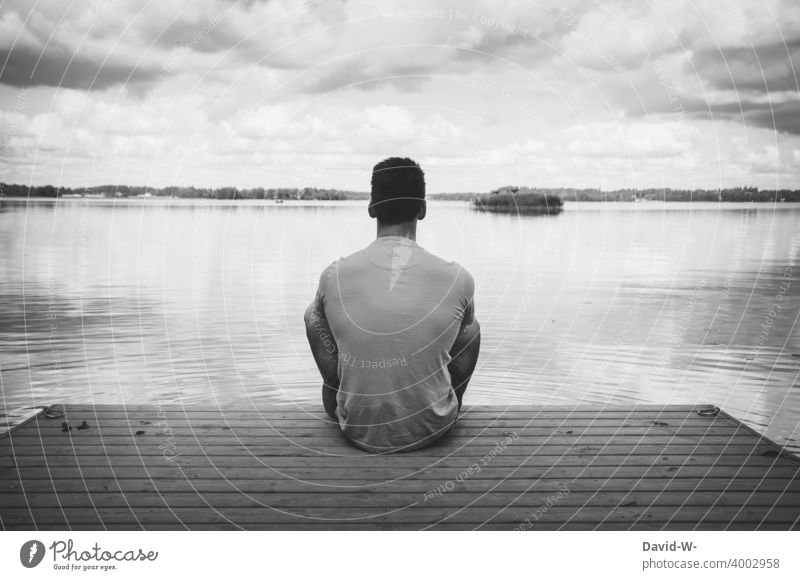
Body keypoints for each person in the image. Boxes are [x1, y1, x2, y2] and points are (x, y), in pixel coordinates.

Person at [304, 157, 481, 453]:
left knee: (313, 315)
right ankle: (445, 403)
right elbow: (461, 334)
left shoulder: (333, 276)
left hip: (355, 428)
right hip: (433, 428)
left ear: (372, 207)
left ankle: (344, 394)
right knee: (471, 328)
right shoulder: (458, 278)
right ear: (422, 210)